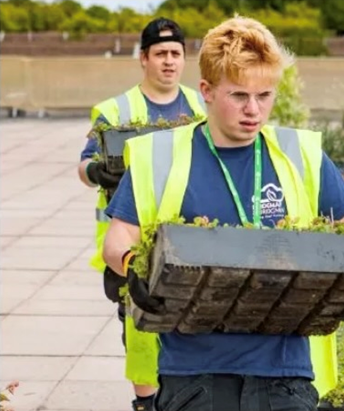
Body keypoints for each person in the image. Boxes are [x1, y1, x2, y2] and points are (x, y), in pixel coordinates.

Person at [103, 15, 344, 411]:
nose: (254, 110)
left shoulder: (300, 154)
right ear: (206, 90)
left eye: (265, 95)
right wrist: (134, 265)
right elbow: (118, 237)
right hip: (194, 373)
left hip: (284, 374)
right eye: (239, 96)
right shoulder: (161, 155)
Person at [77, 17, 206, 411]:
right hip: (129, 238)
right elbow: (83, 167)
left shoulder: (201, 105)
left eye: (176, 54)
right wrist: (97, 171)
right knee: (139, 328)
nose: (169, 62)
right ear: (143, 58)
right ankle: (146, 403)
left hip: (189, 235)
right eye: (161, 54)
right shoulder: (115, 111)